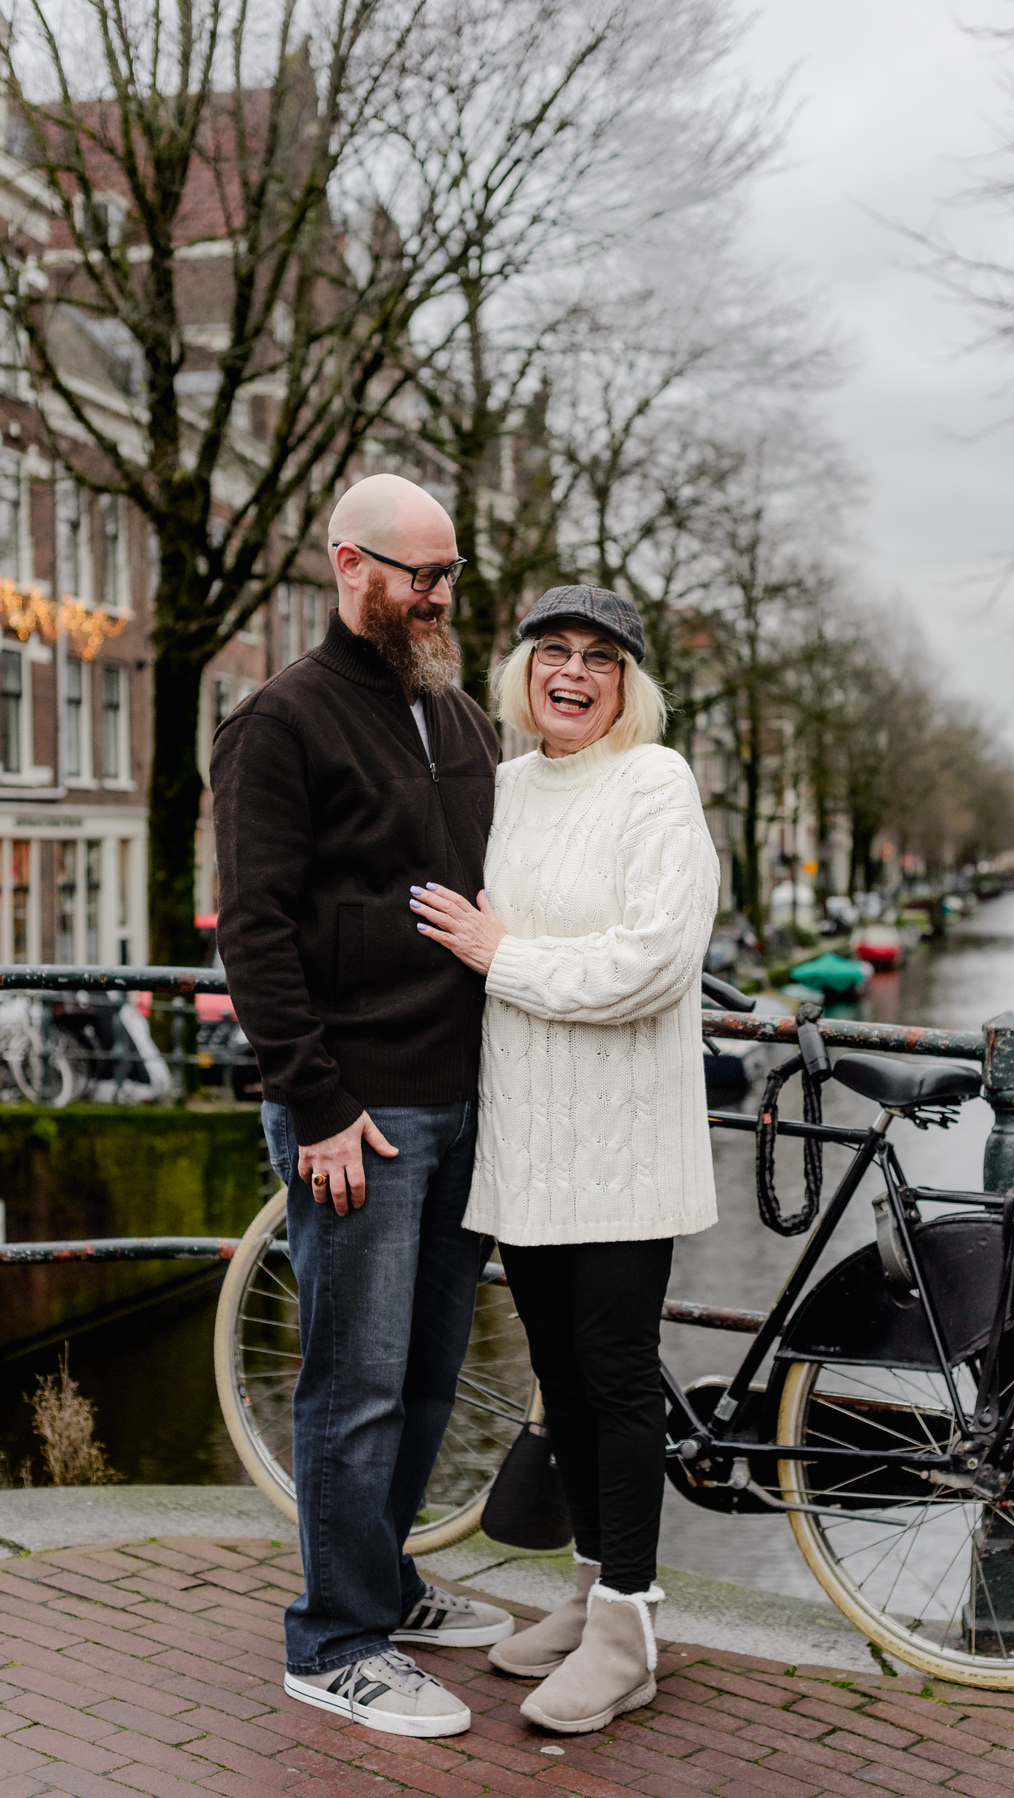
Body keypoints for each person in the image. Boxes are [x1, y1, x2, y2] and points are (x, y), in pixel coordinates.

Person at [211, 473, 514, 1740]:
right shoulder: (279, 720)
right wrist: (318, 1104)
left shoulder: (452, 710)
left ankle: (379, 1582)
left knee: (432, 1375)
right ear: (350, 565)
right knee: (353, 1380)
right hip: (361, 1118)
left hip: (464, 1105)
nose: (439, 596)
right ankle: (331, 1640)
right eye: (418, 574)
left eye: (450, 575)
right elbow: (257, 932)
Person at [408, 584, 720, 1735]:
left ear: (630, 684)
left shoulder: (658, 782)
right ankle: (592, 1587)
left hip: (624, 1143)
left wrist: (503, 954)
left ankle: (632, 1627)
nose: (574, 673)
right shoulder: (507, 786)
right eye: (554, 653)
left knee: (618, 1372)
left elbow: (652, 962)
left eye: (600, 658)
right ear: (524, 671)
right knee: (562, 1378)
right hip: (529, 1142)